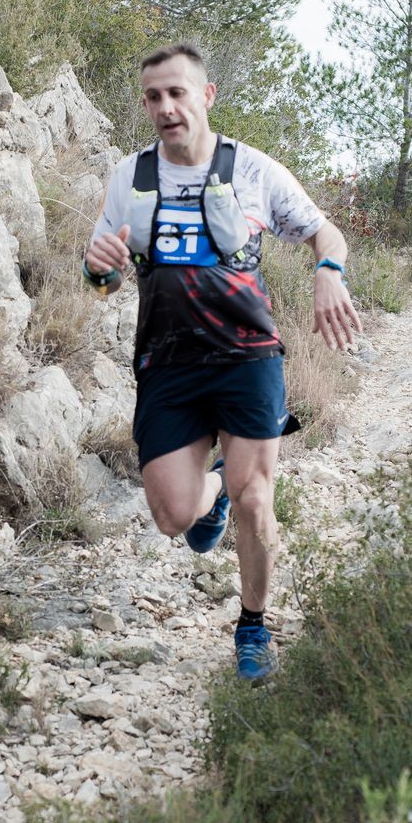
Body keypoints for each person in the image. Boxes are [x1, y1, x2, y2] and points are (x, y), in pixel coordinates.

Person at [83, 43, 362, 682]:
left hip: (246, 355)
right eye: (153, 96)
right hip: (168, 361)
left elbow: (325, 231)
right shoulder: (129, 177)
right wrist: (98, 271)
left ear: (206, 96)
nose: (166, 107)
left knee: (255, 496)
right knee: (172, 517)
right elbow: (104, 277)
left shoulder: (253, 169)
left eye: (177, 92)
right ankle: (211, 498)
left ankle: (253, 626)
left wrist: (328, 270)